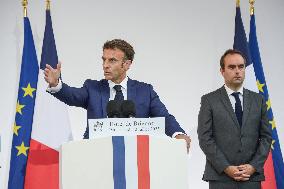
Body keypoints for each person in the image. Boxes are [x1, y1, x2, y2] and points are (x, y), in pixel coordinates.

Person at [44, 39, 191, 149]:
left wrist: (178, 134)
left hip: (135, 156)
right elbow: (72, 96)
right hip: (95, 154)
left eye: (112, 60)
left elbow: (163, 117)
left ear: (127, 64)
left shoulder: (145, 91)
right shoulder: (92, 88)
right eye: (104, 59)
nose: (105, 65)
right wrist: (56, 84)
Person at [197, 49, 272, 189]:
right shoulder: (209, 100)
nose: (237, 71)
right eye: (232, 67)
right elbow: (205, 138)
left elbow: (267, 137)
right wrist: (226, 167)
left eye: (241, 66)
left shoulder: (259, 100)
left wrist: (253, 166)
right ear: (222, 71)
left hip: (251, 177)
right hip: (221, 177)